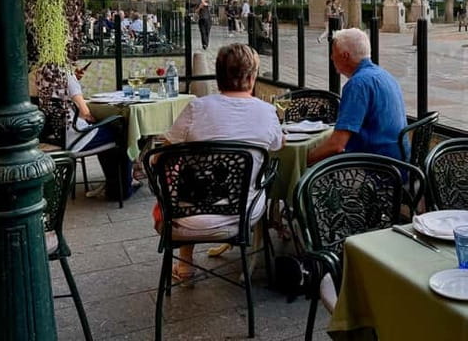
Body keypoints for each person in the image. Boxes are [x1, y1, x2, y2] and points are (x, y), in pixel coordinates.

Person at [158, 43, 284, 283]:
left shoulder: (196, 108)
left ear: (218, 77)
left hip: (186, 220)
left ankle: (185, 265)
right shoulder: (267, 112)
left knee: (186, 176)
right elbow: (278, 144)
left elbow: (162, 155)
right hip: (243, 215)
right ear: (252, 77)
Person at [307, 28, 407, 164]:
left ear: (345, 56)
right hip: (401, 161)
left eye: (333, 52)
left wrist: (302, 162)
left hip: (379, 166)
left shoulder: (357, 85)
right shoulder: (384, 75)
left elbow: (337, 145)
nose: (331, 57)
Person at [62, 67, 135, 201]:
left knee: (106, 129)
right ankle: (122, 189)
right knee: (123, 130)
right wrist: (91, 117)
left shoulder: (38, 75)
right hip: (77, 139)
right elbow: (86, 113)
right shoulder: (66, 75)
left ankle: (113, 183)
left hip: (58, 140)